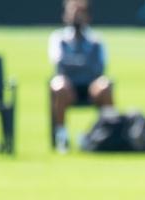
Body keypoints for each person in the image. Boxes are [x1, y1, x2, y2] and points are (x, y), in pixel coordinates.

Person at [49, 0, 113, 153]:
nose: (76, 17)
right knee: (59, 85)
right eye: (73, 12)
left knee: (105, 85)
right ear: (65, 16)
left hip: (91, 87)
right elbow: (60, 65)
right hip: (69, 88)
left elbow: (99, 67)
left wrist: (76, 64)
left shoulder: (96, 40)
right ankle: (62, 136)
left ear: (87, 16)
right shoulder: (58, 39)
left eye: (80, 13)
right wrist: (85, 63)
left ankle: (106, 134)